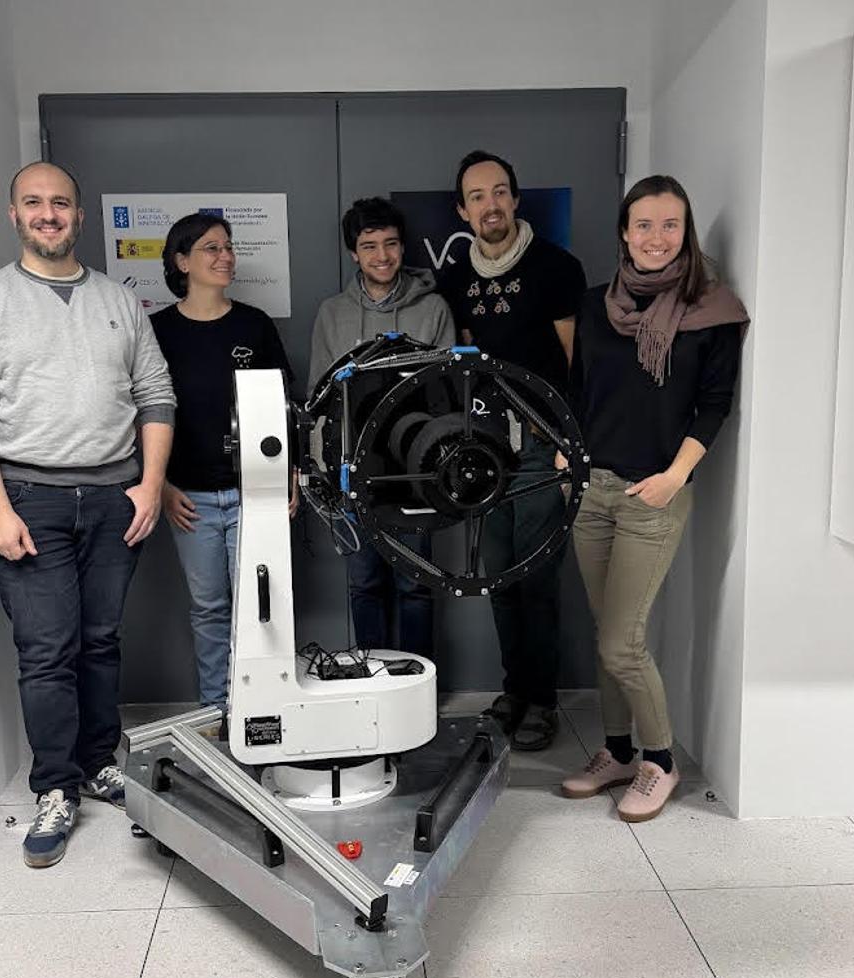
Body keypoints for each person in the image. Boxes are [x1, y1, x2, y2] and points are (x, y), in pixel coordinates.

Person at [0, 161, 175, 868]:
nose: (48, 214)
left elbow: (156, 395)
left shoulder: (120, 301)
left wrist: (150, 485)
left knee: (100, 641)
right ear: (14, 215)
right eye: (34, 203)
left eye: (61, 203)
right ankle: (56, 787)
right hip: (29, 500)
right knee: (47, 650)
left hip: (115, 500)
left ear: (79, 215)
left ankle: (100, 763)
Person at [560, 175, 749, 822]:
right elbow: (580, 389)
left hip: (654, 496)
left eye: (670, 225)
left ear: (686, 231)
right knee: (605, 634)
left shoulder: (712, 311)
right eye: (644, 224)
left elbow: (715, 404)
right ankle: (616, 752)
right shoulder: (595, 305)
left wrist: (674, 476)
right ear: (624, 231)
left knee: (623, 642)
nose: (657, 237)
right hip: (592, 491)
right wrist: (569, 453)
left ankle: (660, 761)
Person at [439, 151, 586, 751]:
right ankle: (514, 691)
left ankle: (542, 699)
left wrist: (569, 442)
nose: (490, 205)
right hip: (487, 450)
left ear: (516, 199)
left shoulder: (556, 267)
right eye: (477, 196)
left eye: (500, 192)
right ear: (462, 211)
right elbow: (468, 365)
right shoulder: (455, 279)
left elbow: (576, 365)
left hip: (544, 448)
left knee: (538, 578)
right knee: (499, 577)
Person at [150, 213, 296, 717]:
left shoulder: (254, 325)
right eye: (211, 248)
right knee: (209, 608)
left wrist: (290, 475)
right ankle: (218, 708)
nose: (225, 256)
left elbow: (283, 406)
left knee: (261, 607)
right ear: (181, 261)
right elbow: (142, 414)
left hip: (253, 491)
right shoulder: (158, 331)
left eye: (228, 247)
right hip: (189, 498)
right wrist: (161, 486)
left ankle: (264, 706)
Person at [309, 197, 456, 658]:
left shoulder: (433, 308)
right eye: (369, 246)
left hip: (416, 472)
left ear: (402, 247)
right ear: (353, 253)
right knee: (365, 582)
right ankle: (370, 679)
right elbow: (319, 396)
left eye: (390, 244)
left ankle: (417, 681)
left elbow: (450, 393)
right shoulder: (332, 313)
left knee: (415, 584)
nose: (382, 256)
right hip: (353, 473)